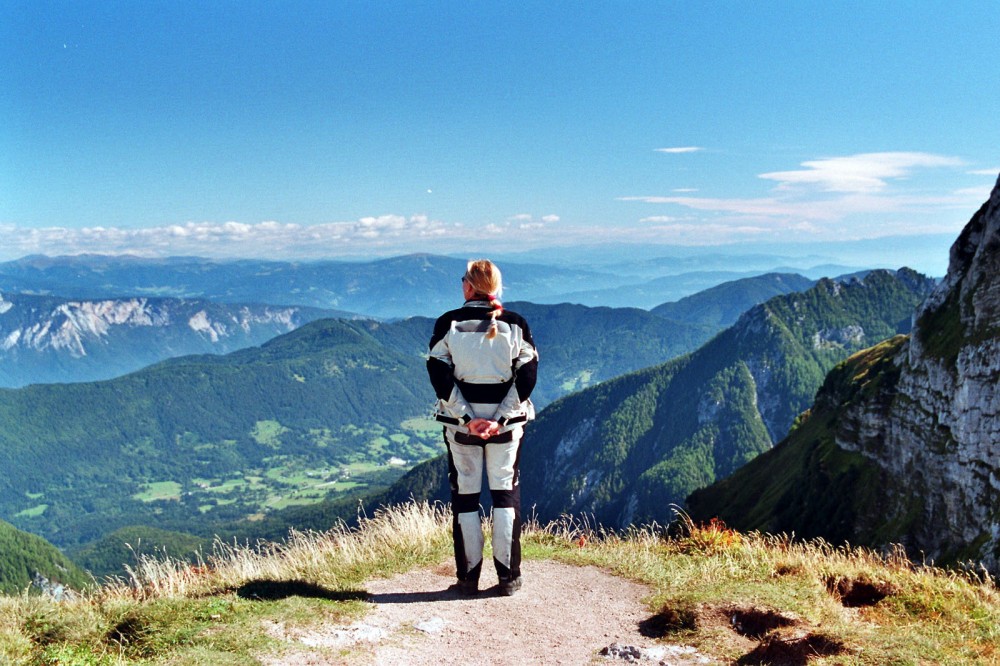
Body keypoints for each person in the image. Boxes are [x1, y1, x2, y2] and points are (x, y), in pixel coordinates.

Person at [427, 259, 538, 596]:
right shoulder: (516, 324)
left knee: (465, 497)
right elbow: (528, 376)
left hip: (462, 430)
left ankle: (468, 578)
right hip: (505, 429)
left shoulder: (448, 323)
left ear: (469, 287)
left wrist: (466, 418)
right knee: (505, 495)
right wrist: (499, 419)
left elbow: (439, 374)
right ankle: (508, 578)